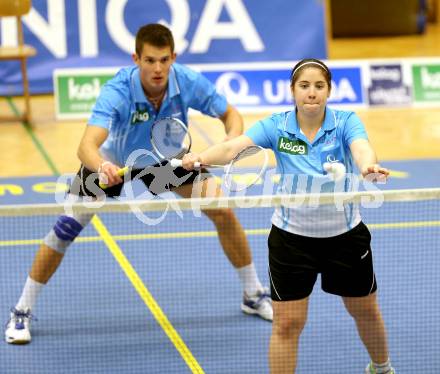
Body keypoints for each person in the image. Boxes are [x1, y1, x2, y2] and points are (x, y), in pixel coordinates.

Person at [5, 23, 272, 345]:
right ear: (136, 58)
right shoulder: (117, 91)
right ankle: (22, 309)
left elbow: (230, 114)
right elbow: (86, 146)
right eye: (149, 60)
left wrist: (230, 141)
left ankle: (252, 293)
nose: (157, 68)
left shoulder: (186, 81)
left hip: (167, 162)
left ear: (173, 57)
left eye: (163, 60)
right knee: (65, 229)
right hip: (113, 163)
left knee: (222, 210)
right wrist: (102, 166)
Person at [181, 59, 395, 374]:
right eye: (304, 86)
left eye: (319, 86)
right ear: (293, 91)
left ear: (329, 91)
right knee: (286, 324)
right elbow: (233, 149)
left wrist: (368, 166)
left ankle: (382, 367)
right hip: (291, 241)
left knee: (365, 311)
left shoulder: (346, 121)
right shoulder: (277, 126)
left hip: (346, 238)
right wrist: (200, 158)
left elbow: (362, 148)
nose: (311, 93)